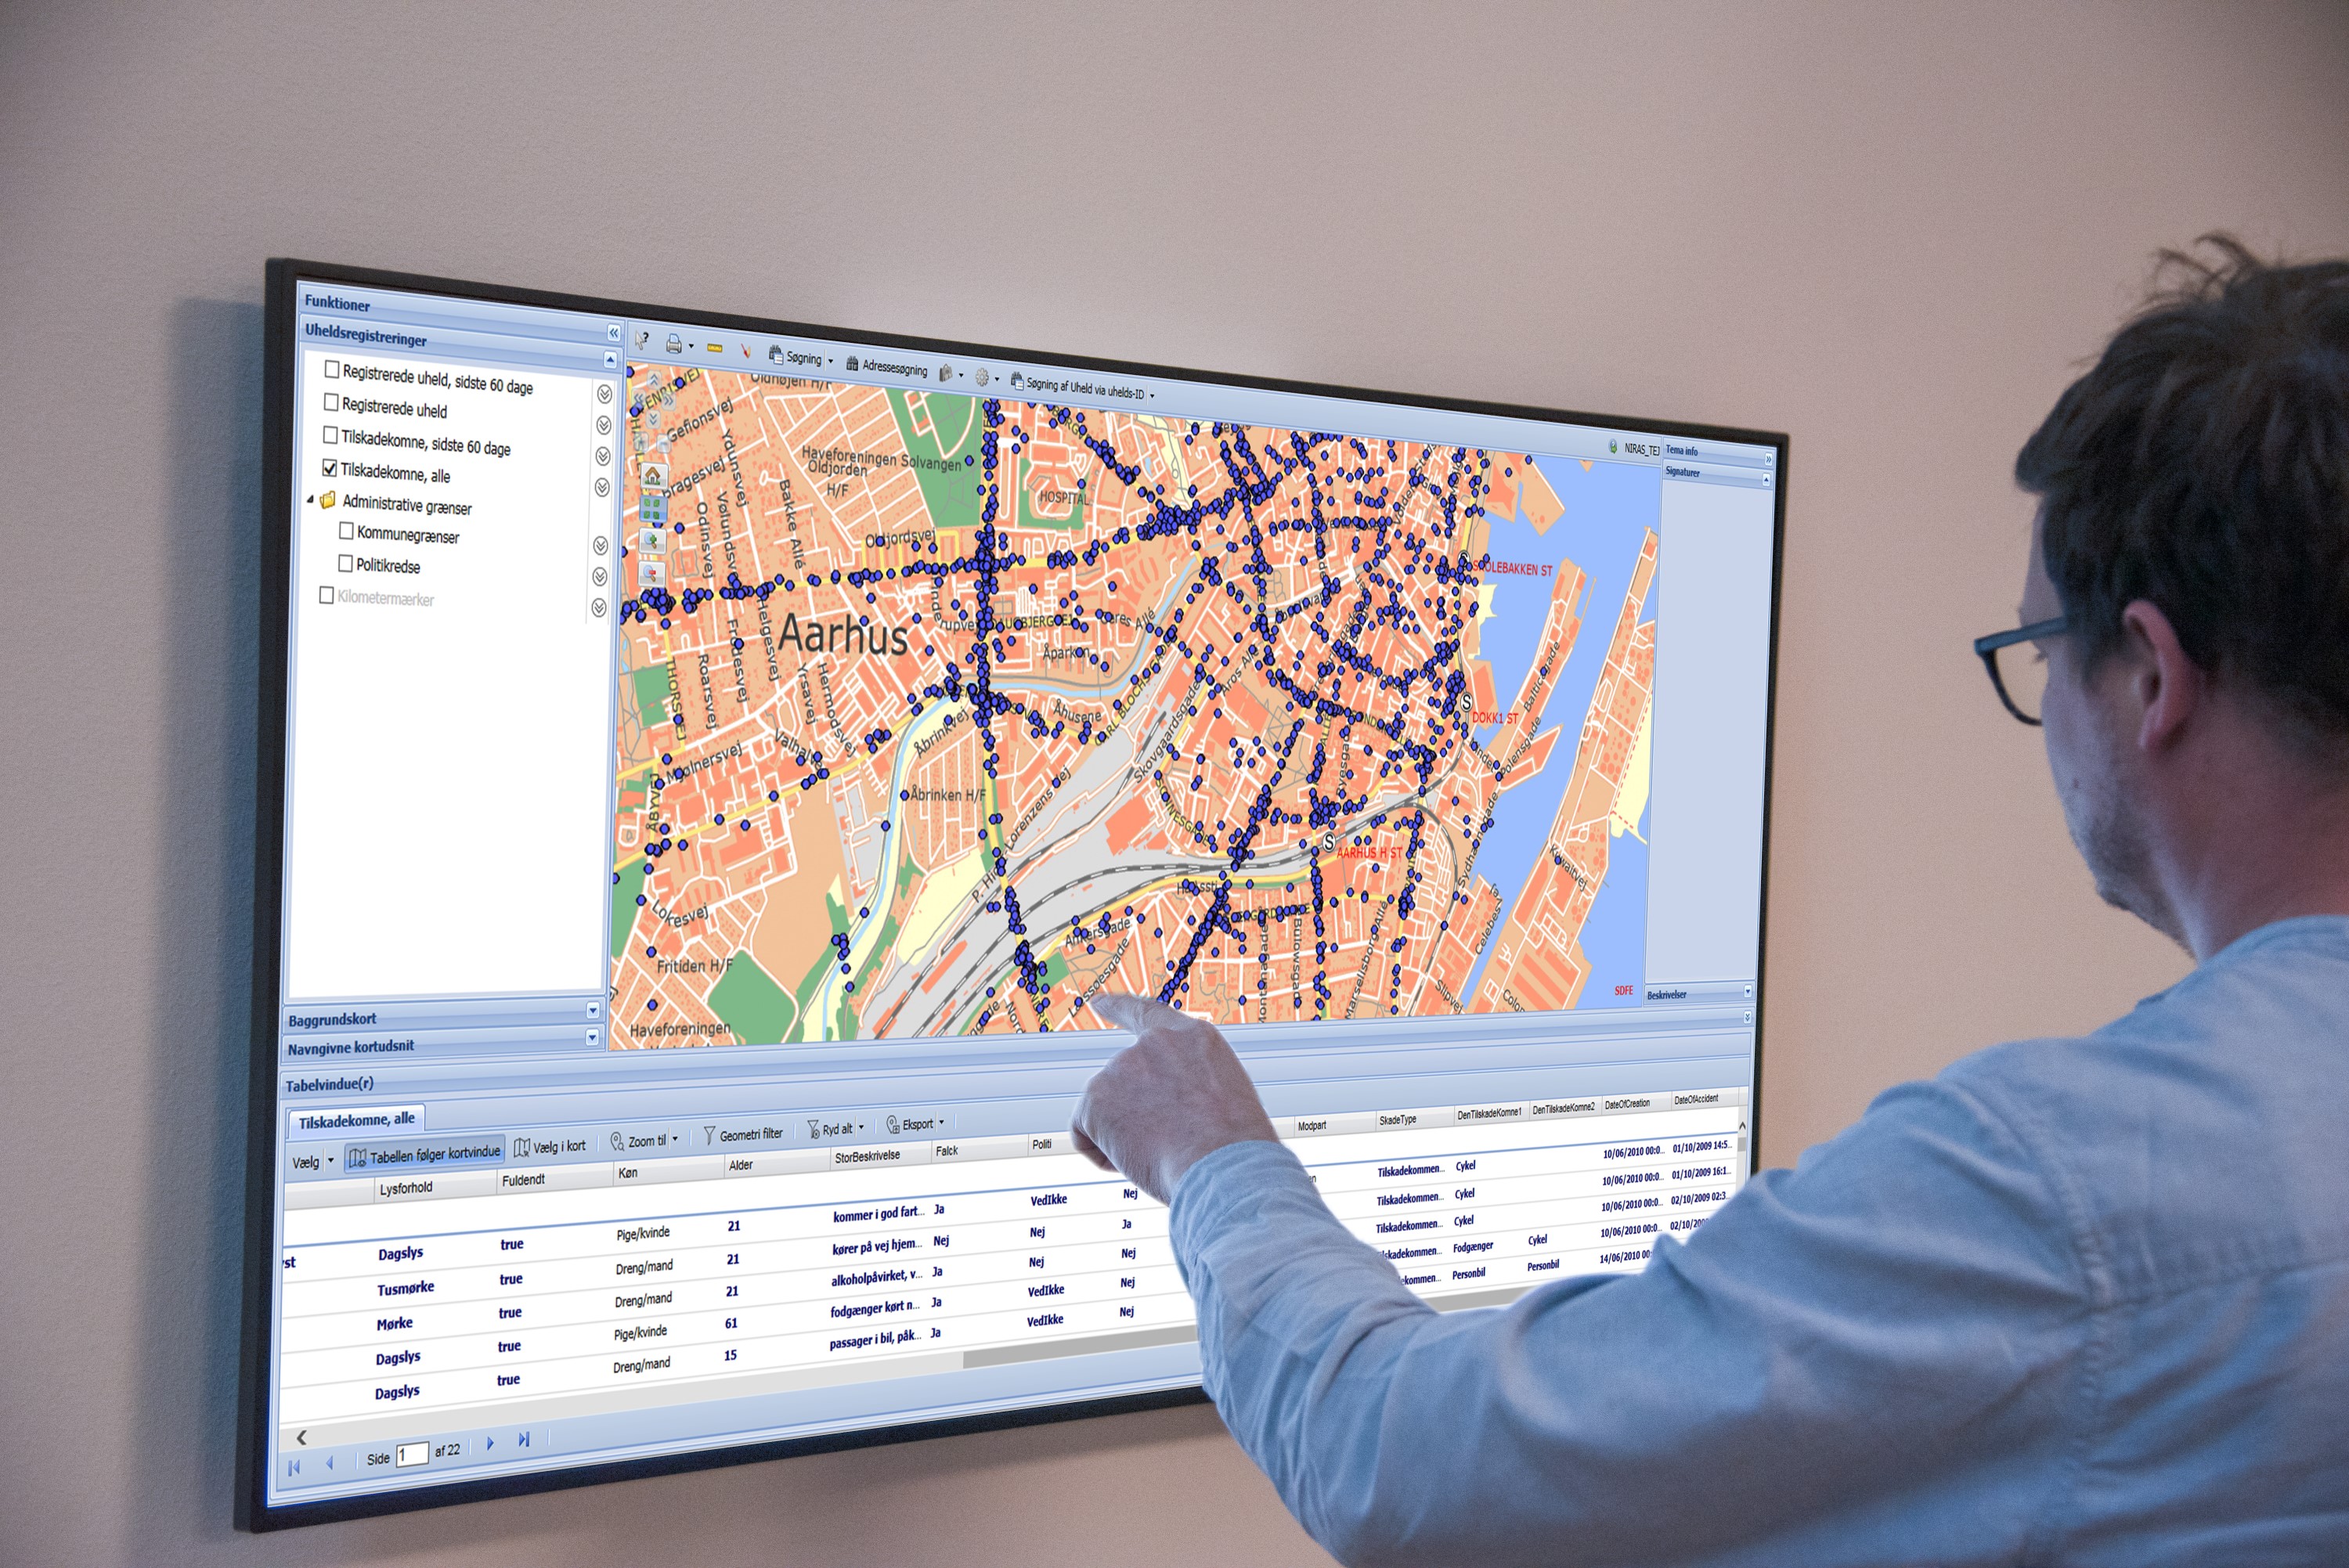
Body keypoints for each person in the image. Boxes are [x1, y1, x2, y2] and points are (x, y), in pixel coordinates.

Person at [1071, 235, 2349, 1566]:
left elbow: (1408, 1470)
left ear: (2150, 676)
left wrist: (1212, 1159)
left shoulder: (2059, 1189)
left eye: (2035, 650)